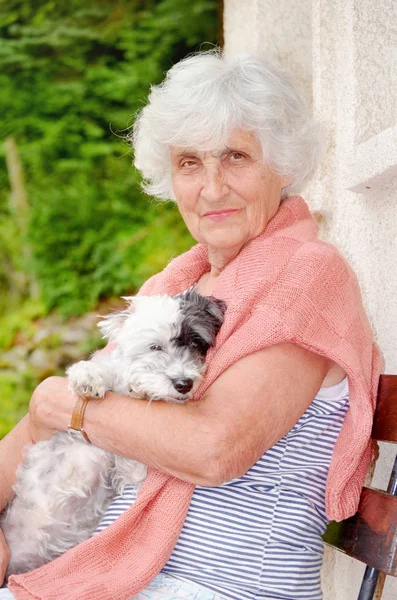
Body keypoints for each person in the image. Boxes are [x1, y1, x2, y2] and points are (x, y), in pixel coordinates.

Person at [0, 51, 381, 600]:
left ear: (283, 163)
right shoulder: (179, 287)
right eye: (190, 163)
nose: (213, 188)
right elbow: (45, 424)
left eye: (236, 157)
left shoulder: (307, 278)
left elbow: (213, 449)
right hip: (122, 575)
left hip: (215, 586)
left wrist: (76, 407)